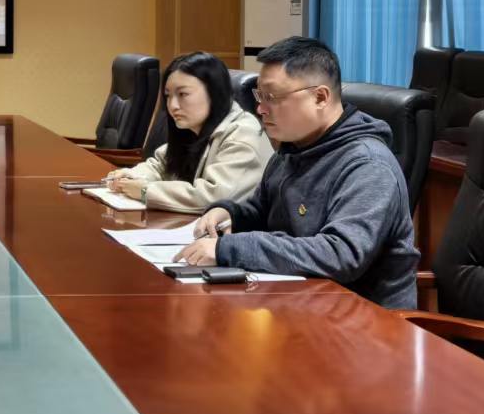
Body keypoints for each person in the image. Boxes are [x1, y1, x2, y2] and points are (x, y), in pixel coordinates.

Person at [172, 36, 418, 308]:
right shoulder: (292, 149)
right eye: (259, 96)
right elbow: (261, 211)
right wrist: (230, 214)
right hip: (300, 302)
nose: (260, 108)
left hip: (363, 320)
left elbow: (340, 255)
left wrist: (229, 249)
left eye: (272, 97)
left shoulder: (368, 165)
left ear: (320, 97)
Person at [103, 51, 273, 212]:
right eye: (168, 96)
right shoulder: (194, 126)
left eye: (183, 94)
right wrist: (130, 176)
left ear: (213, 93)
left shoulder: (243, 133)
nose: (172, 105)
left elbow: (214, 197)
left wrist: (145, 191)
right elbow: (161, 165)